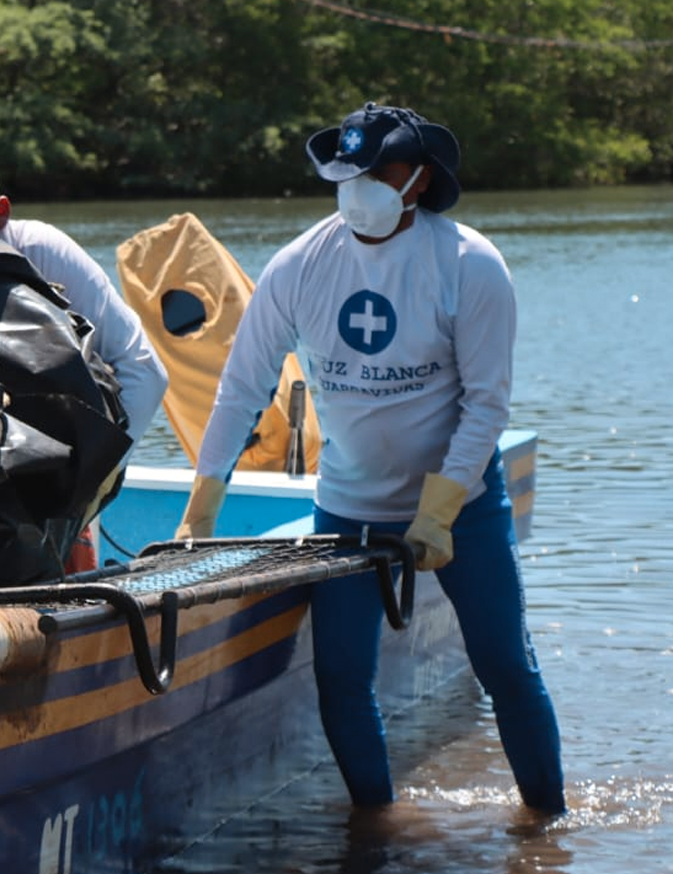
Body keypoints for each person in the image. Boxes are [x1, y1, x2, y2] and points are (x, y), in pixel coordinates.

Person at [175, 102, 566, 815]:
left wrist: (439, 511)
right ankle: (378, 827)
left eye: (378, 171)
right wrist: (202, 508)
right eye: (347, 171)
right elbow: (240, 389)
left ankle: (549, 825)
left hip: (463, 510)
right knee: (342, 680)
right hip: (346, 511)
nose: (359, 185)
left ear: (418, 180)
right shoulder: (299, 265)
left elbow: (486, 405)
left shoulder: (470, 264)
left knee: (506, 668)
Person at [0, 142, 168, 446]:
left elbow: (143, 370)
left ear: (0, 213)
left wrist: (99, 474)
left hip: (56, 441)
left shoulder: (42, 251)